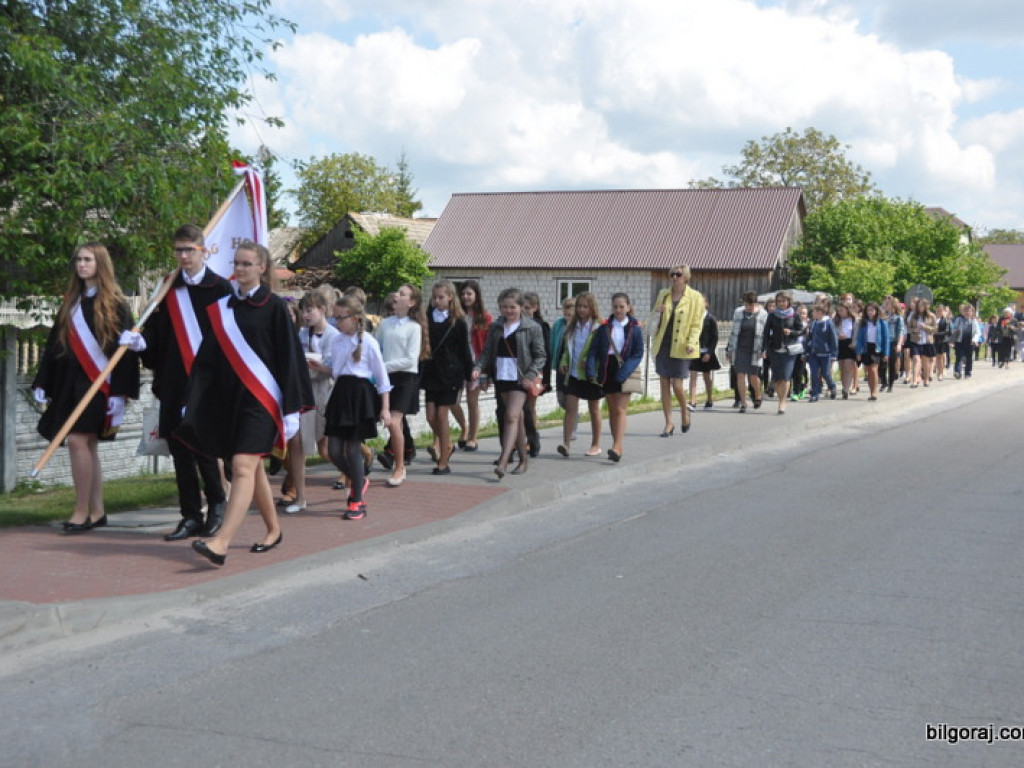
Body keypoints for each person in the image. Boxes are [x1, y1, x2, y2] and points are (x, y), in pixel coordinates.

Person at [178, 241, 314, 566]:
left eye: (247, 264)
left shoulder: (275, 307)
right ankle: (273, 530)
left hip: (263, 404)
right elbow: (207, 360)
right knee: (253, 471)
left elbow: (290, 360)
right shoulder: (224, 308)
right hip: (232, 402)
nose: (240, 269)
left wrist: (292, 410)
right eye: (237, 263)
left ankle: (221, 542)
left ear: (261, 268)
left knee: (241, 467)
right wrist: (192, 399)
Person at [33, 243, 141, 534]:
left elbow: (125, 353)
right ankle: (96, 511)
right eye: (79, 260)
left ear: (100, 264)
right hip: (72, 383)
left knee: (78, 442)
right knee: (87, 445)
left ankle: (80, 511)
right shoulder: (72, 301)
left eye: (87, 260)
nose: (81, 265)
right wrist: (43, 380)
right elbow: (55, 344)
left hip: (99, 385)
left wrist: (120, 393)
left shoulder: (116, 303)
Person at [137, 225, 232, 540]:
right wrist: (141, 343)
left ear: (203, 250)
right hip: (174, 379)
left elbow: (229, 339)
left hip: (206, 382)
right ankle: (190, 515)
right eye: (178, 250)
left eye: (189, 249)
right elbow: (156, 331)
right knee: (179, 451)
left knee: (204, 448)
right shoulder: (168, 288)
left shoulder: (219, 289)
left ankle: (217, 504)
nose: (183, 256)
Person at [324, 296, 393, 519]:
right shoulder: (336, 341)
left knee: (352, 449)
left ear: (354, 318)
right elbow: (336, 371)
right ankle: (359, 478)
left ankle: (357, 501)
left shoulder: (369, 342)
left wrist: (385, 408)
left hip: (360, 396)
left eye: (340, 318)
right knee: (333, 450)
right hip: (340, 394)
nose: (336, 323)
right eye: (334, 318)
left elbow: (382, 378)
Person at [471, 288, 546, 479]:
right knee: (517, 419)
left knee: (511, 416)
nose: (508, 311)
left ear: (521, 307)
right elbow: (487, 353)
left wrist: (530, 375)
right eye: (504, 307)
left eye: (512, 307)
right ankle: (523, 459)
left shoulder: (532, 327)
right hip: (501, 376)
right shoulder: (496, 327)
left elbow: (540, 356)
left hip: (520, 378)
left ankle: (504, 459)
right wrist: (480, 370)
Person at [282, 290, 341, 513]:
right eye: (303, 311)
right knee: (297, 444)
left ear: (322, 310)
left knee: (329, 448)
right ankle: (301, 497)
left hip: (323, 393)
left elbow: (331, 368)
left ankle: (354, 475)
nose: (305, 315)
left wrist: (316, 366)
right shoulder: (301, 334)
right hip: (303, 394)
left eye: (310, 310)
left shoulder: (333, 335)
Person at [420, 280, 474, 475]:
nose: (437, 300)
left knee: (442, 415)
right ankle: (447, 443)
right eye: (434, 297)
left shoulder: (457, 321)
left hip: (452, 374)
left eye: (441, 297)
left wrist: (469, 376)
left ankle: (443, 459)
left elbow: (465, 351)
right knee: (430, 416)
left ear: (451, 297)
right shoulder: (426, 318)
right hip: (431, 373)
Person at [375, 284, 426, 486]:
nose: (396, 295)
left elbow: (410, 359)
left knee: (394, 421)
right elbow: (377, 348)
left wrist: (384, 366)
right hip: (385, 378)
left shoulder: (414, 327)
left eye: (402, 294)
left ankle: (399, 467)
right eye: (397, 292)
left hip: (405, 378)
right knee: (386, 420)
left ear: (411, 302)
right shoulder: (384, 324)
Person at [587, 292, 644, 462]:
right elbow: (594, 351)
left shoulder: (635, 327)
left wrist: (624, 372)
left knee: (620, 409)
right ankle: (616, 444)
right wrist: (591, 370)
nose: (618, 310)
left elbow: (638, 353)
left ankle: (617, 447)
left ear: (628, 307)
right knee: (612, 410)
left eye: (621, 306)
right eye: (615, 307)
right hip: (607, 368)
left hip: (625, 368)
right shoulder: (604, 327)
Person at [649, 265, 703, 435]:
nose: (674, 277)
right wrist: (658, 311)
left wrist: (692, 343)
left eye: (678, 274)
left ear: (686, 276)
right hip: (663, 343)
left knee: (677, 384)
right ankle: (668, 423)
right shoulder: (663, 294)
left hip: (681, 345)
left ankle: (684, 411)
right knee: (664, 382)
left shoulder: (695, 297)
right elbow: (653, 317)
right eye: (672, 274)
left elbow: (696, 323)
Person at [557, 292, 604, 456]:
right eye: (579, 306)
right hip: (574, 374)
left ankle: (595, 444)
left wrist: (591, 363)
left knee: (594, 409)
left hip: (591, 375)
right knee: (570, 408)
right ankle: (566, 444)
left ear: (592, 308)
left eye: (585, 306)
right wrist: (564, 362)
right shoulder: (572, 326)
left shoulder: (599, 327)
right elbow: (567, 349)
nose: (581, 310)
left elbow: (602, 352)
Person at [453, 279, 492, 452]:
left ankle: (472, 438)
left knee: (472, 401)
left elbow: (488, 345)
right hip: (457, 362)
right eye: (462, 294)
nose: (465, 297)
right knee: (453, 401)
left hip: (476, 362)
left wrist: (484, 369)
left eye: (469, 293)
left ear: (476, 296)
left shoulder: (484, 316)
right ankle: (464, 427)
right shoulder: (456, 314)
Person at [725, 291, 767, 414]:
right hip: (740, 348)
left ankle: (758, 395)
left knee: (753, 376)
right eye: (747, 305)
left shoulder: (763, 314)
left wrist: (764, 349)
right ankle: (743, 402)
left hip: (755, 348)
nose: (750, 307)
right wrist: (729, 349)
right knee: (740, 375)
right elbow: (733, 331)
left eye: (752, 305)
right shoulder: (738, 312)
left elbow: (765, 334)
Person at [763, 291, 805, 414]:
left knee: (786, 377)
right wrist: (764, 349)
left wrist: (791, 333)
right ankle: (780, 397)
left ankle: (782, 402)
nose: (782, 303)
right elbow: (765, 333)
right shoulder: (772, 316)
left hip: (789, 350)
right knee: (777, 378)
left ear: (789, 302)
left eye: (784, 301)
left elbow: (802, 330)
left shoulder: (794, 315)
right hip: (775, 350)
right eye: (779, 301)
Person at [521, 291, 551, 457]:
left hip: (535, 371)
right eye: (522, 307)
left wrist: (546, 378)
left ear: (535, 308)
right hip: (518, 371)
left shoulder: (540, 325)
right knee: (519, 407)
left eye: (527, 307)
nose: (524, 310)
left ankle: (531, 439)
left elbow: (546, 352)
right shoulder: (515, 324)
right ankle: (522, 439)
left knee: (529, 407)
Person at [688, 297, 721, 410]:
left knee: (706, 377)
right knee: (693, 376)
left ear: (706, 304)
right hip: (695, 351)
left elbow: (715, 337)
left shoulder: (710, 319)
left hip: (706, 351)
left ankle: (709, 399)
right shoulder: (693, 318)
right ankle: (692, 401)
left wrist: (709, 352)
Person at [854, 301, 890, 400]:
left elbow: (886, 339)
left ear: (876, 311)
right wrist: (858, 352)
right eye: (868, 310)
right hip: (866, 348)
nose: (870, 312)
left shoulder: (882, 322)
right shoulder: (864, 322)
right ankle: (871, 392)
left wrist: (886, 353)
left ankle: (875, 392)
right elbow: (860, 339)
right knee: (869, 371)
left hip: (877, 348)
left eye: (872, 310)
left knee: (874, 370)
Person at [805, 302, 838, 402]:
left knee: (825, 373)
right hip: (814, 353)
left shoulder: (828, 323)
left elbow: (833, 339)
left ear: (820, 312)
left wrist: (834, 354)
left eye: (814, 311)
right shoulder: (813, 323)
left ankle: (832, 386)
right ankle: (815, 394)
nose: (813, 313)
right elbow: (809, 338)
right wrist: (807, 351)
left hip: (825, 353)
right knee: (814, 373)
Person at [906, 298, 938, 386]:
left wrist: (925, 327)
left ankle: (926, 379)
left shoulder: (931, 316)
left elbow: (935, 329)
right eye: (919, 305)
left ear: (926, 306)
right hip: (915, 341)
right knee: (916, 359)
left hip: (927, 341)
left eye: (923, 305)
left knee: (925, 361)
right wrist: (914, 330)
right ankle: (914, 380)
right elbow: (908, 327)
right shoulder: (913, 315)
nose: (921, 307)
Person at [881, 296, 906, 393]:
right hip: (884, 342)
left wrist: (899, 344)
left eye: (888, 304)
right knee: (882, 364)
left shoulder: (898, 317)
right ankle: (884, 381)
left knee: (891, 364)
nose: (886, 306)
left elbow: (900, 331)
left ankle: (890, 384)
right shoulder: (883, 316)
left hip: (893, 342)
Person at [834, 301, 858, 398]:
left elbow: (857, 333)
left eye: (842, 310)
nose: (840, 312)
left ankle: (846, 389)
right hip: (840, 344)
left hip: (850, 344)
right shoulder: (836, 320)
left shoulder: (854, 320)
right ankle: (844, 386)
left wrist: (854, 343)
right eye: (838, 310)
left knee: (848, 367)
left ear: (848, 310)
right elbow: (833, 332)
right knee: (842, 368)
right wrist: (838, 336)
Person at [951, 303, 980, 379]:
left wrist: (975, 339)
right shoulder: (959, 320)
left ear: (972, 312)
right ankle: (957, 371)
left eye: (969, 311)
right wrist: (953, 338)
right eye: (966, 311)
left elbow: (977, 332)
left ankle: (968, 373)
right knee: (959, 357)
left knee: (969, 358)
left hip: (970, 342)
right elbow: (954, 329)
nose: (967, 312)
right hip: (960, 341)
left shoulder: (974, 321)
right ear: (963, 312)